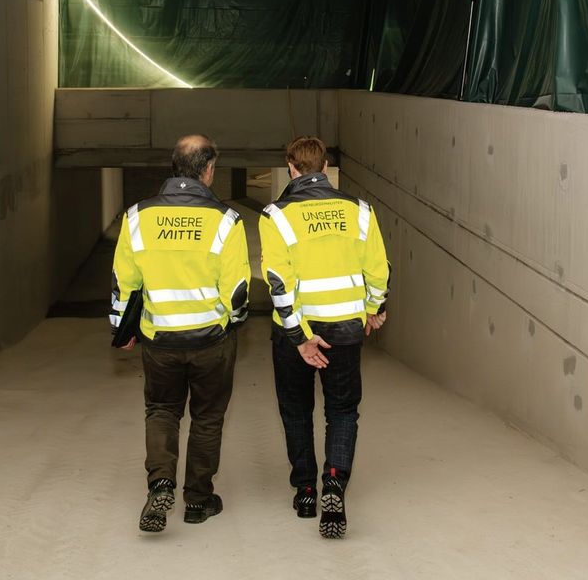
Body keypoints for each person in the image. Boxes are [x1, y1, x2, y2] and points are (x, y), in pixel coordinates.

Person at [111, 135, 250, 532]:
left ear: (174, 167)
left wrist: (123, 329)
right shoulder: (225, 220)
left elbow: (125, 282)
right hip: (210, 340)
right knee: (207, 418)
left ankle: (161, 485)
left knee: (162, 411)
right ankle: (198, 500)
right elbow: (237, 289)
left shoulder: (137, 216)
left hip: (160, 340)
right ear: (208, 170)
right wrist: (234, 321)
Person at [259, 136, 389, 539]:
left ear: (291, 169)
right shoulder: (360, 210)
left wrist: (300, 335)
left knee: (296, 410)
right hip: (346, 329)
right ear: (326, 167)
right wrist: (374, 308)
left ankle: (307, 490)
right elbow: (379, 269)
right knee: (343, 411)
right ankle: (335, 480)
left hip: (296, 333)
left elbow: (279, 282)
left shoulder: (276, 215)